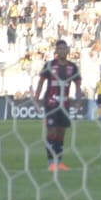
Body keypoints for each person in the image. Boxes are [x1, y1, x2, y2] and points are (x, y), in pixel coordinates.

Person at [33, 39, 82, 171]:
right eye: (59, 48)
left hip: (64, 103)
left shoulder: (73, 67)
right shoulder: (49, 65)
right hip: (50, 103)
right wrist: (36, 99)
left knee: (61, 132)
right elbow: (41, 82)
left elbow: (78, 86)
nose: (61, 51)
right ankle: (51, 163)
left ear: (68, 50)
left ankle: (59, 162)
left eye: (64, 48)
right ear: (56, 51)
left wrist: (78, 101)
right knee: (52, 130)